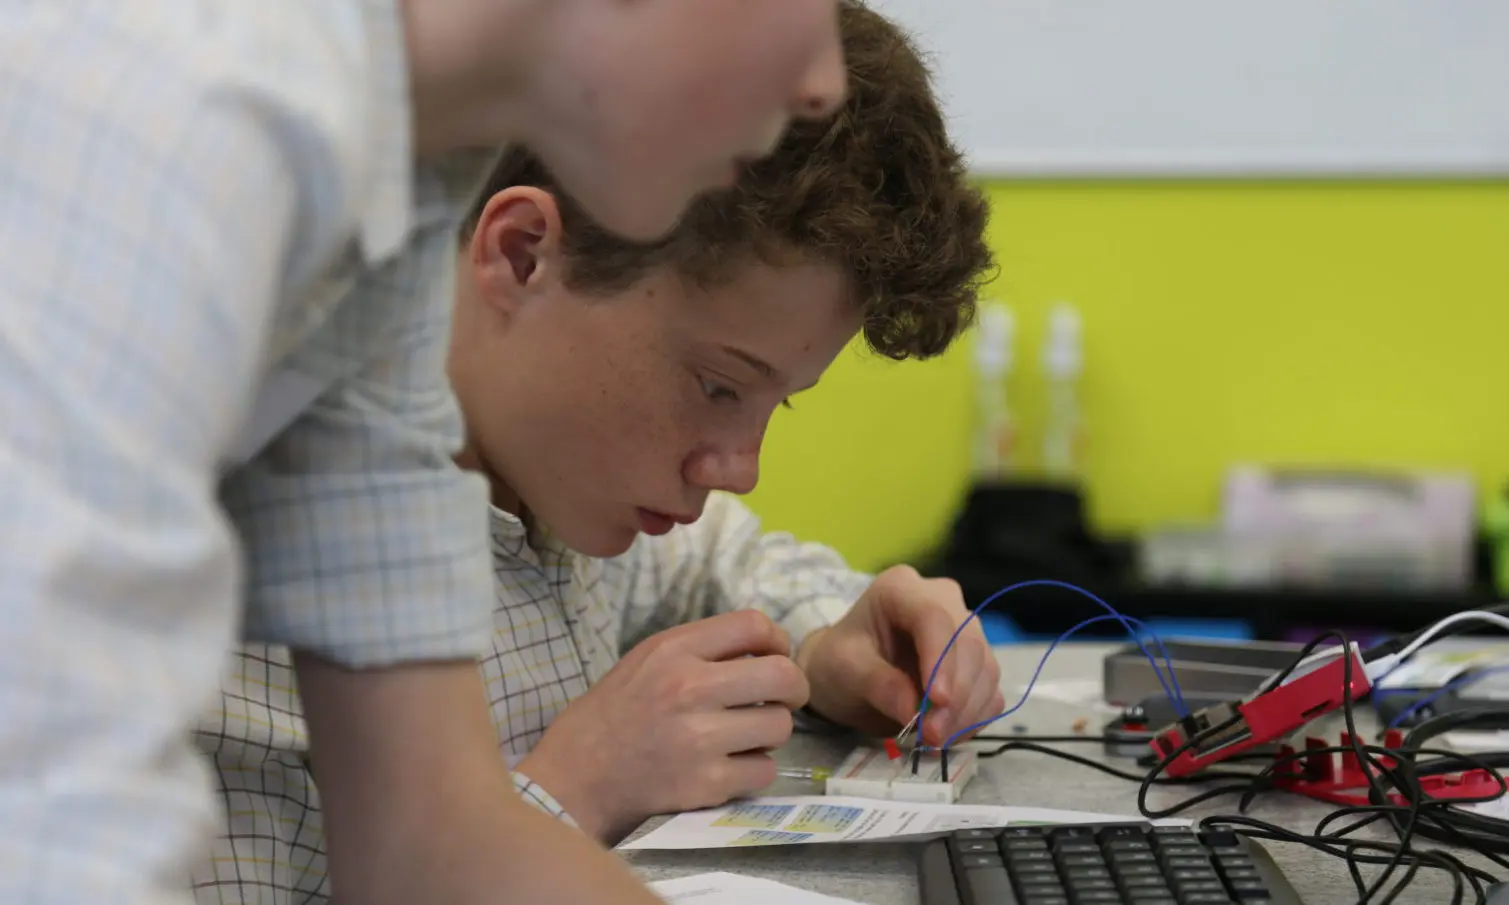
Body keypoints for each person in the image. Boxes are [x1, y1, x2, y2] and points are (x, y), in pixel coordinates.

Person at [0, 3, 847, 905]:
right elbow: (65, 853)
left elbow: (428, 838)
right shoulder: (167, 124)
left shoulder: (393, 202)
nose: (823, 83)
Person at [195, 2, 1000, 898]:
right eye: (719, 386)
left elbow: (718, 560)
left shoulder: (553, 481)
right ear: (524, 254)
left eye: (778, 401)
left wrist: (827, 644)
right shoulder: (228, 573)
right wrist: (575, 788)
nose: (738, 465)